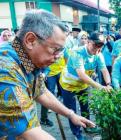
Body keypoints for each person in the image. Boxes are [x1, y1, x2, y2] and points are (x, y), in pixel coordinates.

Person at [0, 9, 95, 140]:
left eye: (61, 51)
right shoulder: (5, 68)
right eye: (55, 49)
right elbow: (30, 132)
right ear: (30, 40)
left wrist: (70, 114)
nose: (57, 57)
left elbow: (41, 91)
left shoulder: (26, 59)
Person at [59, 32, 112, 139]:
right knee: (72, 111)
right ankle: (77, 134)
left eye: (100, 46)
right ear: (88, 42)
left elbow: (104, 70)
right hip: (68, 86)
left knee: (85, 108)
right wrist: (100, 87)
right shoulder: (77, 53)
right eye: (95, 45)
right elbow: (82, 75)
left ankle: (87, 126)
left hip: (82, 85)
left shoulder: (98, 55)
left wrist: (108, 84)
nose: (97, 49)